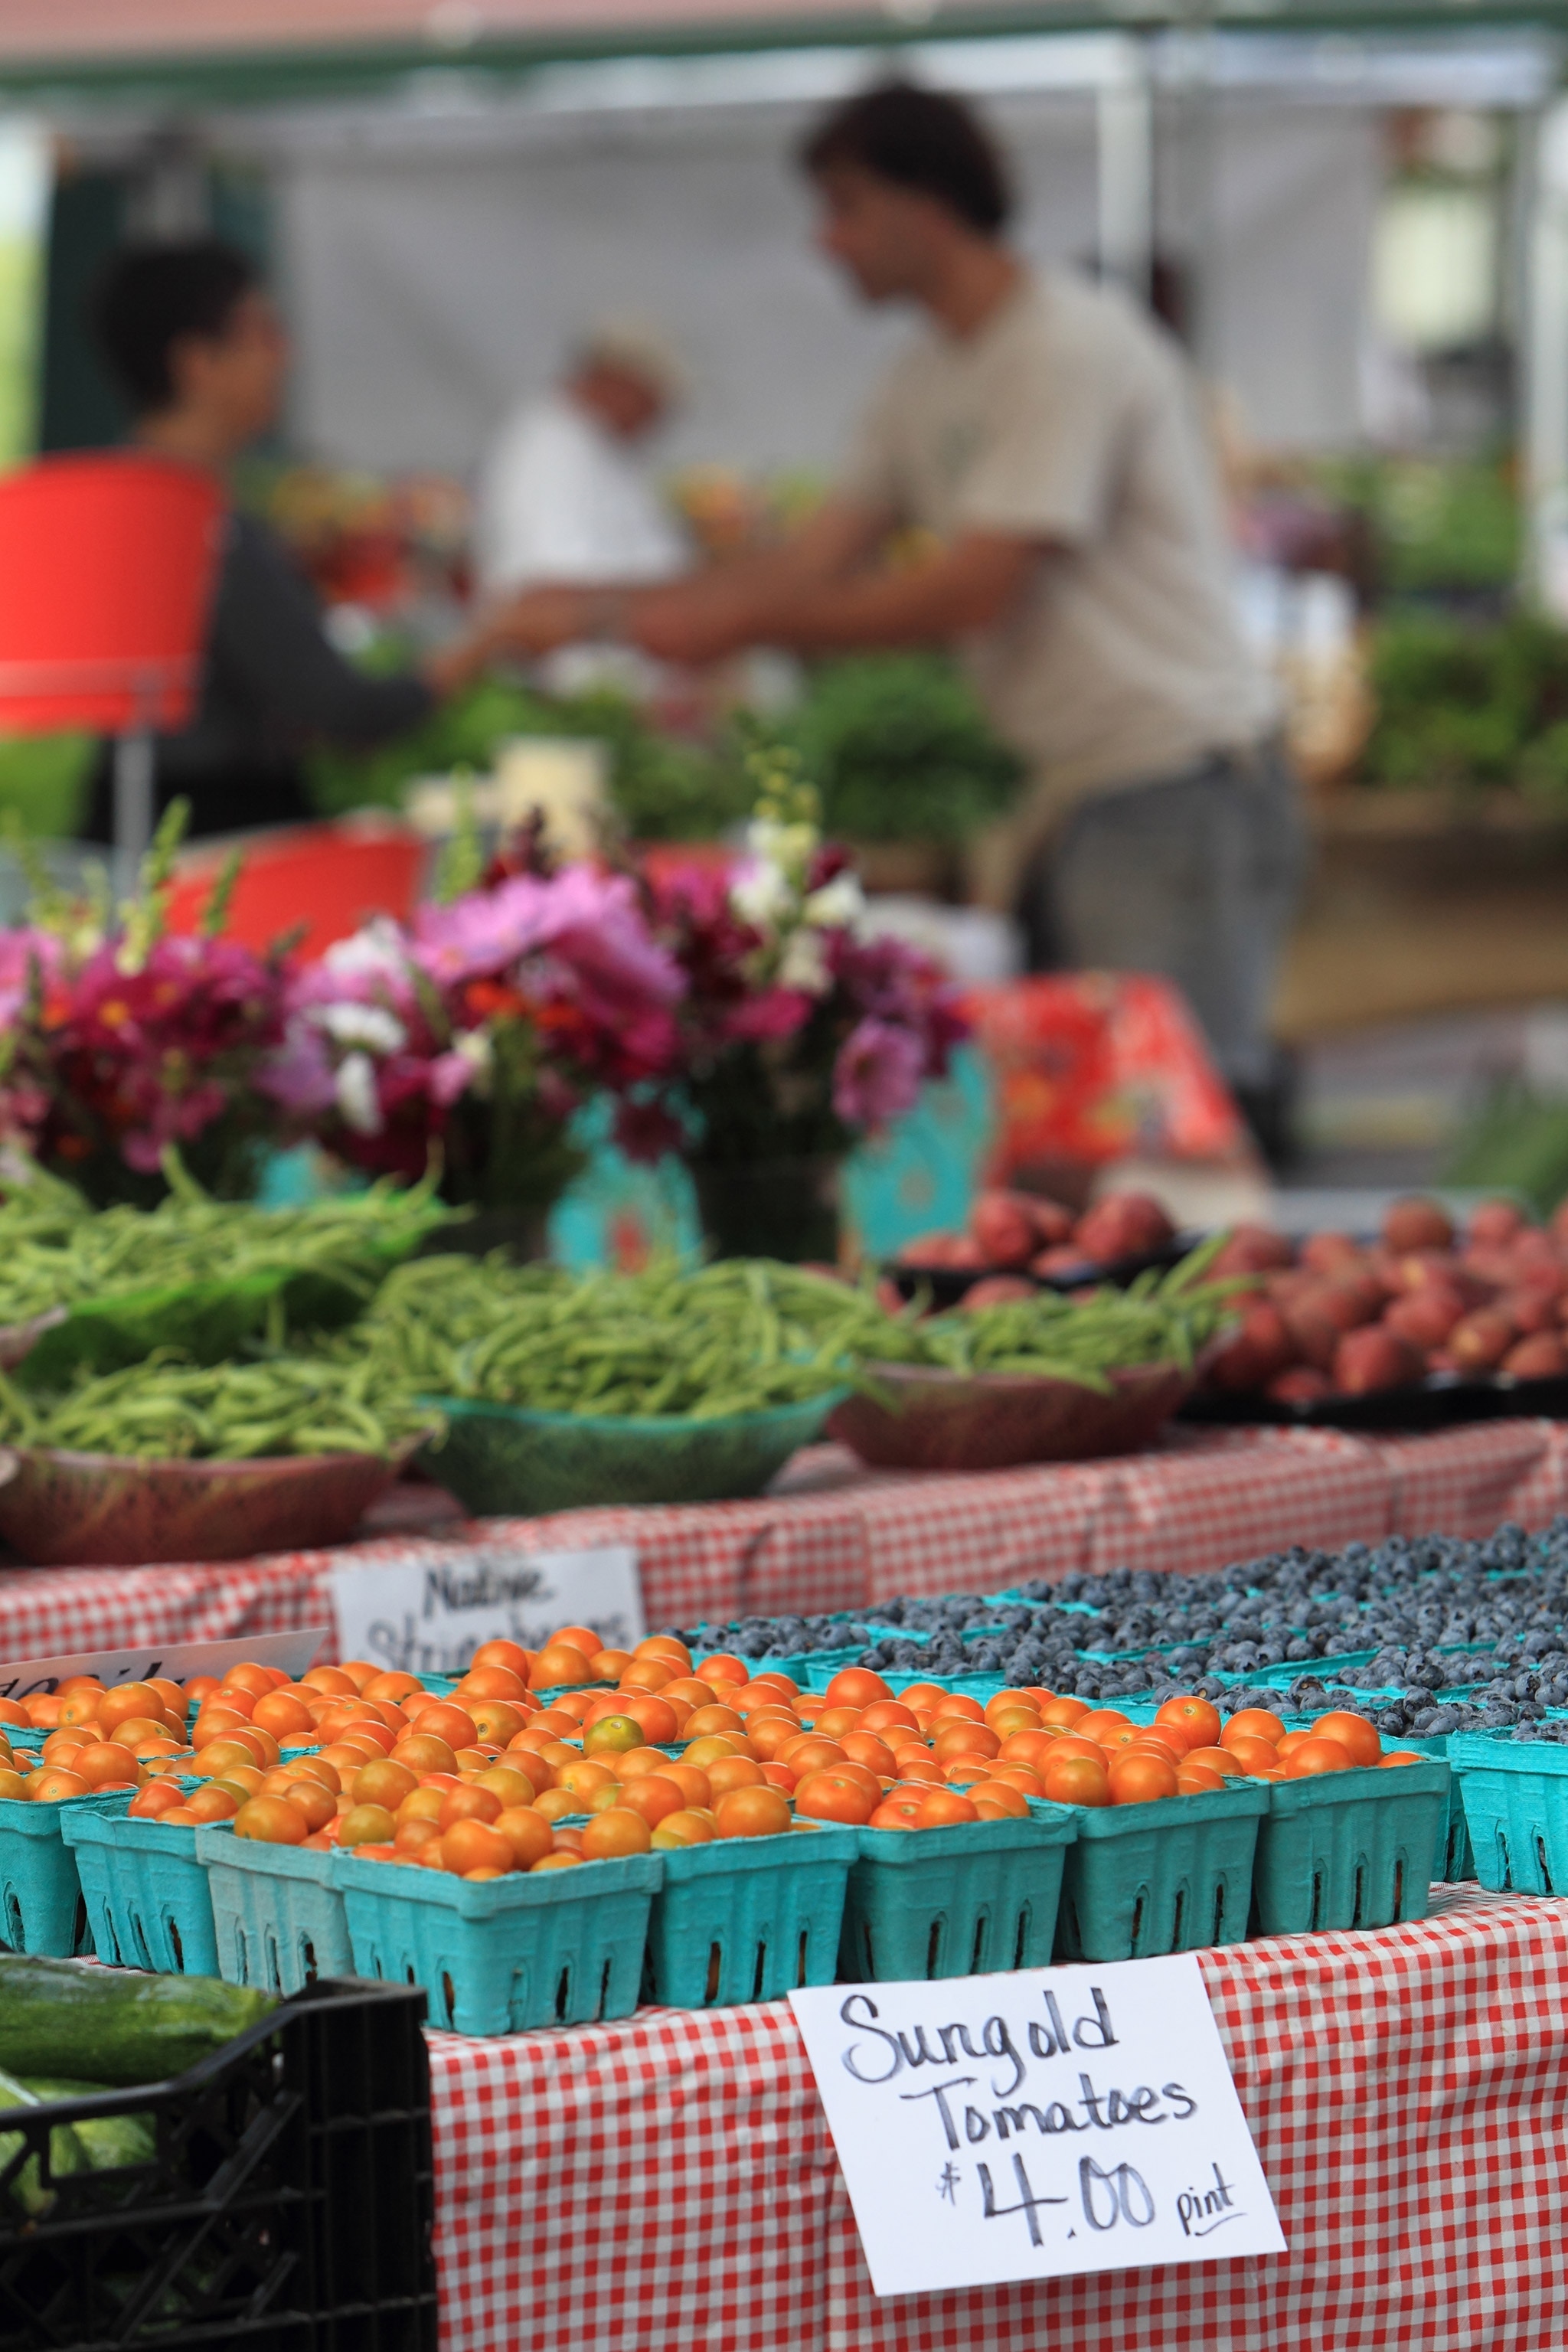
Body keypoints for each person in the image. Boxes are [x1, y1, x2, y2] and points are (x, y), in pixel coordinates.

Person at [498, 83, 1302, 1145]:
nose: (825, 244)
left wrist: (725, 628)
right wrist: (614, 612)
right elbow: (811, 560)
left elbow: (973, 587)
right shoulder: (923, 380)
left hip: (1172, 781)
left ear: (923, 208)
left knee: (1166, 1131)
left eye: (843, 208)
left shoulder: (1063, 348)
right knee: (1087, 1129)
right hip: (1073, 793)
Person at [83, 240, 498, 842]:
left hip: (118, 829)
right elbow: (344, 712)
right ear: (199, 363)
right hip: (218, 845)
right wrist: (494, 637)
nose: (285, 356)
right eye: (265, 334)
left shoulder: (101, 509)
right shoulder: (202, 524)